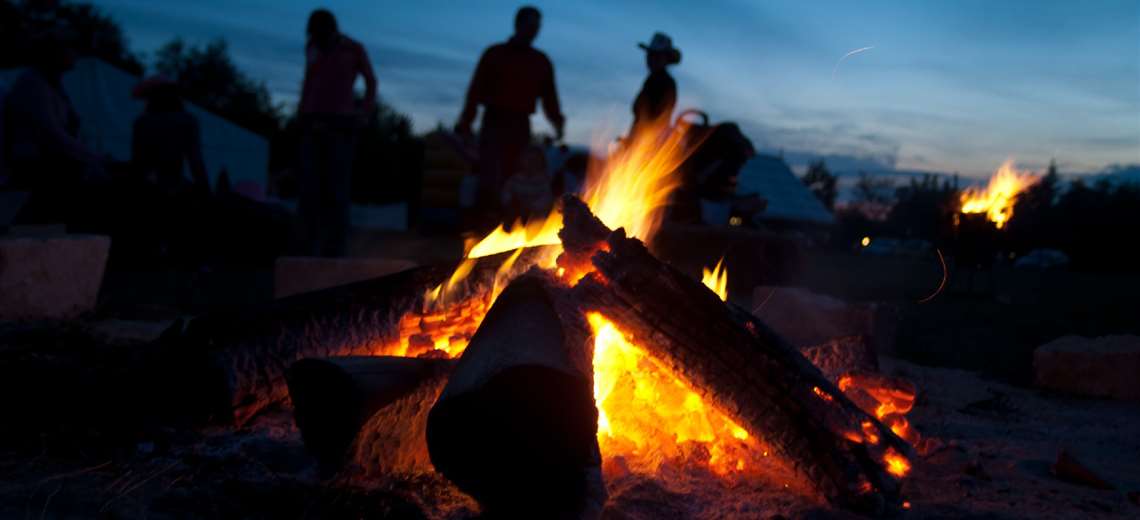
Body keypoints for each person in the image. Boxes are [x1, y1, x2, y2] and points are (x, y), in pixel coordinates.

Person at [455, 5, 564, 229]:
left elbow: (549, 97)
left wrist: (557, 122)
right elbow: (475, 91)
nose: (532, 30)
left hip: (520, 124)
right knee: (489, 175)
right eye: (529, 24)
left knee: (517, 175)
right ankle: (483, 229)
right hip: (494, 121)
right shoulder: (494, 54)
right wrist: (466, 122)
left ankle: (513, 231)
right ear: (518, 24)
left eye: (536, 26)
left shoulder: (540, 61)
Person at [2, 28, 107, 222]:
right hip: (37, 169)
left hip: (50, 166)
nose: (75, 55)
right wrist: (94, 158)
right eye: (70, 49)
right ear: (54, 53)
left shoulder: (51, 84)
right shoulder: (33, 83)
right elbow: (51, 132)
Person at [296, 8, 377, 257]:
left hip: (341, 123)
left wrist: (364, 112)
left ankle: (335, 251)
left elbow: (371, 81)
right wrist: (301, 113)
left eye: (321, 33)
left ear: (331, 30)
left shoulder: (352, 48)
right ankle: (306, 248)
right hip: (311, 121)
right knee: (309, 186)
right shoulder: (312, 47)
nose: (317, 37)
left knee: (337, 188)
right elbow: (308, 81)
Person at [131, 76, 208, 196]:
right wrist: (204, 188)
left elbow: (137, 158)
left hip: (145, 181)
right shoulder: (187, 121)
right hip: (173, 183)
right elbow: (195, 159)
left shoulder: (142, 122)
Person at [630, 32, 681, 136]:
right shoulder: (651, 80)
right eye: (650, 55)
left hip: (650, 140)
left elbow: (661, 114)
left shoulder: (666, 83)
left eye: (657, 56)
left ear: (666, 59)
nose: (651, 59)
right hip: (640, 139)